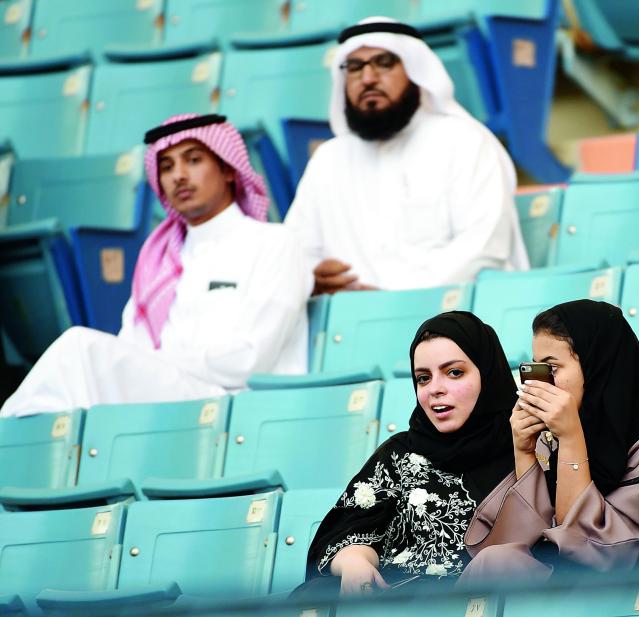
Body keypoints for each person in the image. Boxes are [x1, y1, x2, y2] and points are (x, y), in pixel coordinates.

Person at [1, 114, 310, 418]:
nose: (178, 175)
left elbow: (250, 360)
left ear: (228, 169)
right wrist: (152, 363)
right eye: (167, 166)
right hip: (167, 401)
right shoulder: (158, 259)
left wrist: (159, 361)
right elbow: (131, 346)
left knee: (80, 349)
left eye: (193, 160)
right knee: (71, 383)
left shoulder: (275, 243)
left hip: (234, 404)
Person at [284, 17, 529, 294]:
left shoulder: (464, 142)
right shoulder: (328, 161)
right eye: (354, 67)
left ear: (415, 70)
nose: (368, 78)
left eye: (384, 63)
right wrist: (310, 278)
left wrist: (394, 300)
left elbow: (485, 247)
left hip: (447, 320)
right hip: (351, 324)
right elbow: (296, 250)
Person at [458, 300, 639, 581]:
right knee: (496, 560)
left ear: (597, 366)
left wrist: (572, 438)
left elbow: (598, 553)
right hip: (552, 590)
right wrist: (525, 454)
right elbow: (518, 543)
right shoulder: (550, 439)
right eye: (537, 370)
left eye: (552, 369)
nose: (542, 385)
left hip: (615, 594)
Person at [303, 312, 516, 595]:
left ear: (488, 374)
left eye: (454, 373)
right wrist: (355, 561)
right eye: (423, 378)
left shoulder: (526, 449)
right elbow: (344, 530)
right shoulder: (400, 453)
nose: (435, 390)